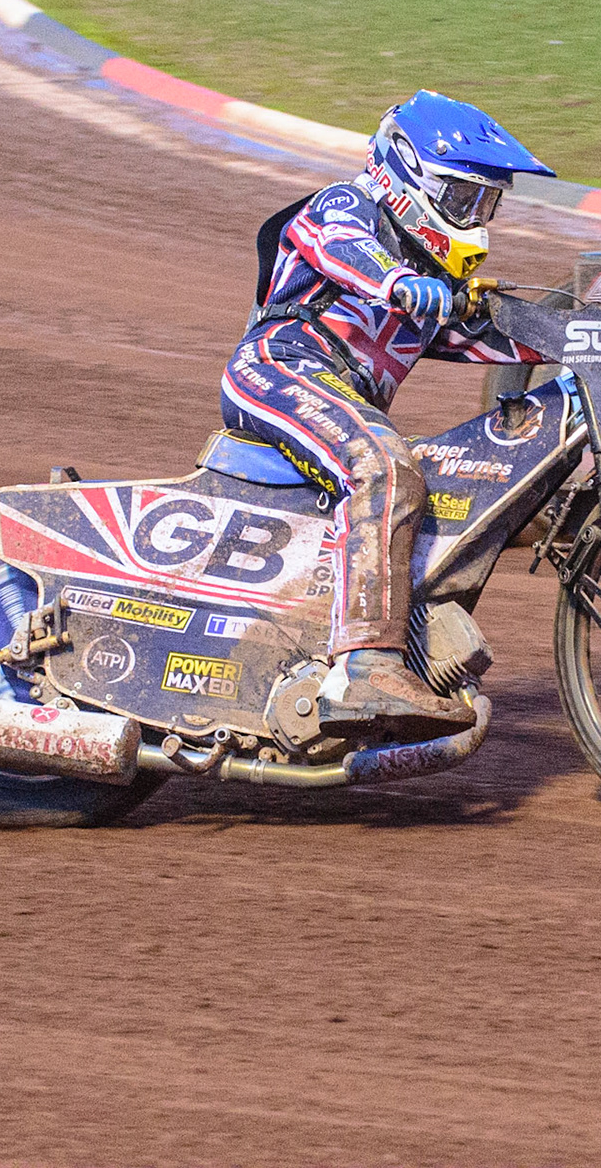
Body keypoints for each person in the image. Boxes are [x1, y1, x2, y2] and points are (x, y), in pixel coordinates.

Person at [221, 90, 552, 740]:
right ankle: (365, 667)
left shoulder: (432, 290)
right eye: (463, 199)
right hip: (278, 370)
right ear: (406, 177)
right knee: (385, 465)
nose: (476, 220)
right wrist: (397, 282)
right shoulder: (346, 208)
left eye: (487, 205)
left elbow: (522, 334)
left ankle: (399, 648)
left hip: (336, 402)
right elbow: (343, 248)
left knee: (453, 483)